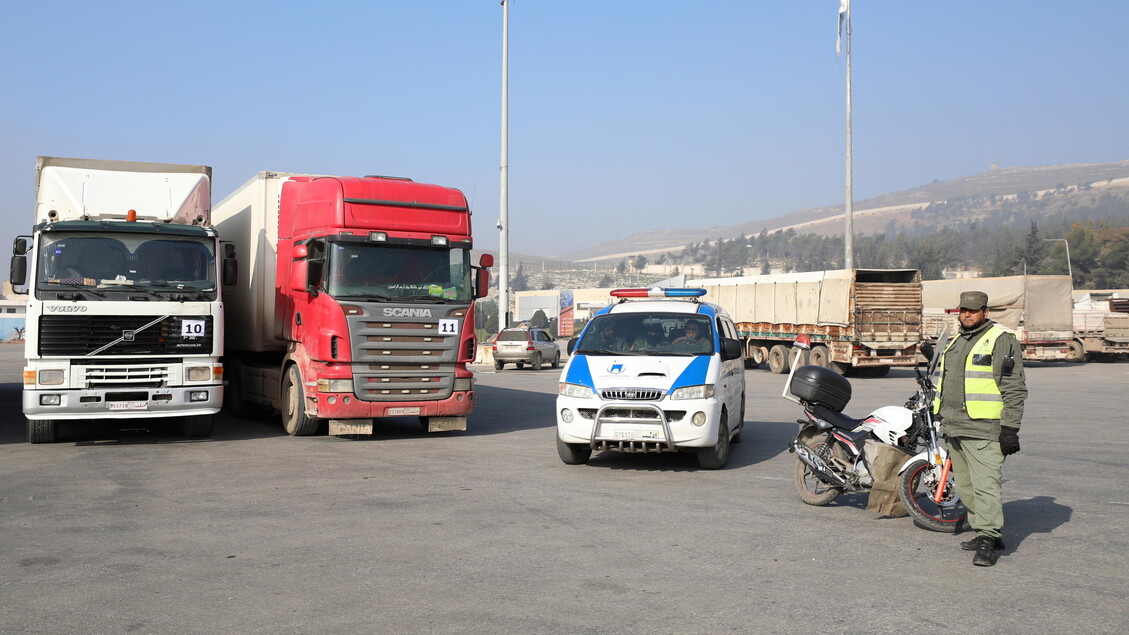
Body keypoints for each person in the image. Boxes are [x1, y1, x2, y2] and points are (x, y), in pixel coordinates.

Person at [934, 290, 1028, 567]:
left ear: (985, 312)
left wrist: (1010, 428)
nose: (967, 314)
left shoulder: (1001, 340)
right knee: (966, 486)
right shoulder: (956, 341)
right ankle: (985, 531)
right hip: (955, 426)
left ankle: (988, 538)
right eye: (963, 310)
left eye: (973, 310)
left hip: (985, 428)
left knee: (986, 486)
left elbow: (1013, 387)